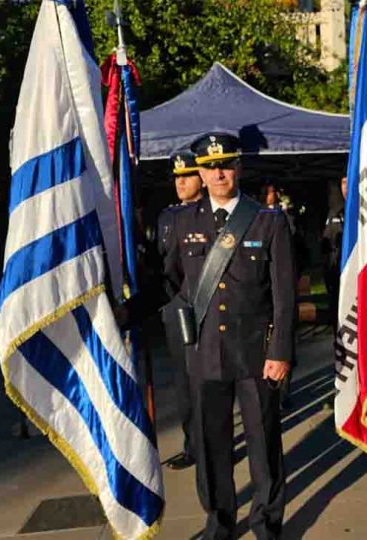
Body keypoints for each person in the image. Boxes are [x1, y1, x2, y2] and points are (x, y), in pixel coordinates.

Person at [165, 132, 296, 540]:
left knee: (264, 446)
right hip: (205, 354)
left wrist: (280, 351)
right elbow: (169, 281)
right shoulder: (182, 221)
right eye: (209, 167)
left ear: (237, 167)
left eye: (225, 165)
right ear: (200, 173)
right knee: (211, 446)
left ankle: (267, 522)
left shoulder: (267, 220)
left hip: (256, 354)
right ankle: (219, 522)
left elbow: (284, 294)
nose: (218, 173)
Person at [157, 150, 204, 470]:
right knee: (185, 385)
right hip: (176, 309)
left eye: (186, 175)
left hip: (205, 307)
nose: (180, 182)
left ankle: (218, 444)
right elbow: (162, 263)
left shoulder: (213, 213)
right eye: (176, 177)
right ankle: (193, 446)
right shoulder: (167, 216)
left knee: (211, 383)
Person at [321, 176, 347, 333]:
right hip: (336, 269)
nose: (346, 187)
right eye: (343, 183)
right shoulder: (334, 211)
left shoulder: (361, 208)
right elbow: (326, 241)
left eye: (349, 182)